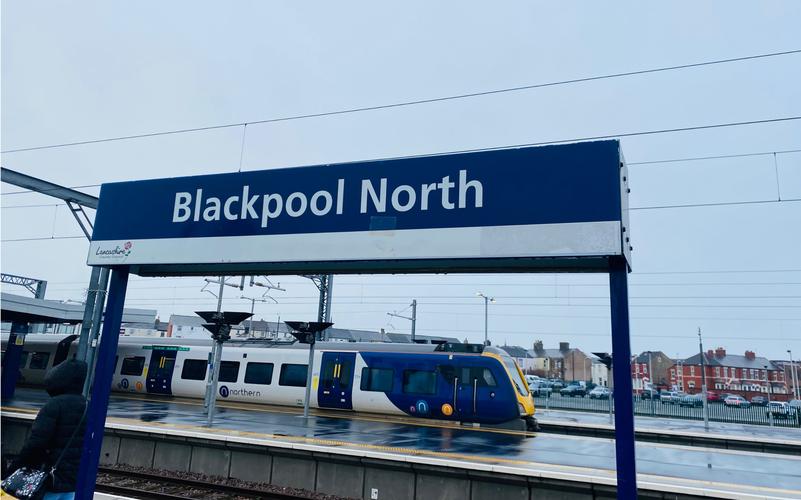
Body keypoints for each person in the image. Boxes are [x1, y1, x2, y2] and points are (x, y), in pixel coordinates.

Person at [15, 359, 88, 500]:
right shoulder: (87, 406)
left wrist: (15, 468)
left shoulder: (54, 405)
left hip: (48, 479)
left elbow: (36, 444)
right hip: (74, 481)